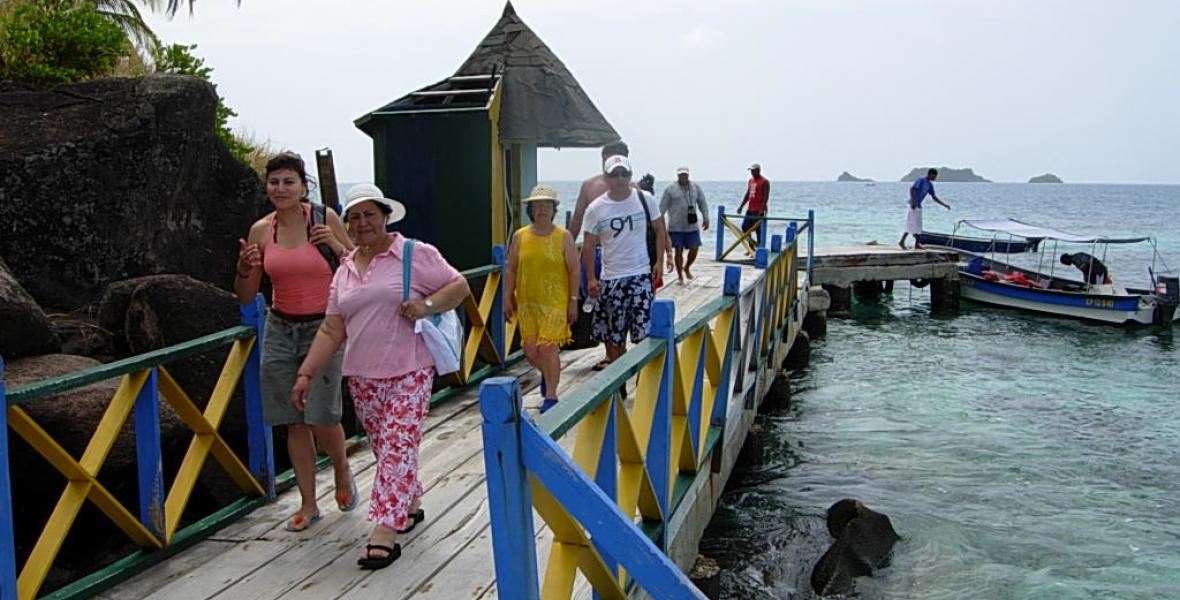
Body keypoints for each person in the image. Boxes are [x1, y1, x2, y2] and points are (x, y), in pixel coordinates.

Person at [291, 183, 470, 570]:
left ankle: (384, 532)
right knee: (385, 445)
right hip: (362, 373)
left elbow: (459, 285)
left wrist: (426, 305)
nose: (362, 223)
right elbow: (331, 328)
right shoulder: (345, 270)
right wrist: (306, 373)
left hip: (410, 366)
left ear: (385, 216)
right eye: (354, 217)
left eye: (369, 214)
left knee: (398, 444)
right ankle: (411, 500)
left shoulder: (413, 253)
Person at [233, 152, 356, 534]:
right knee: (292, 419)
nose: (281, 189)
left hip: (325, 327)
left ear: (303, 186)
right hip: (279, 326)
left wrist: (336, 244)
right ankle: (308, 502)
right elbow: (244, 294)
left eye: (289, 182)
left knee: (321, 414)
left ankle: (340, 467)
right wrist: (243, 268)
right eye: (274, 182)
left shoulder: (324, 219)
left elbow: (361, 269)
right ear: (266, 187)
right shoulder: (260, 230)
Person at [582, 155, 668, 371]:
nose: (619, 179)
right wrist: (591, 278)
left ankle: (644, 385)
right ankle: (617, 383)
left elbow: (659, 230)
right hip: (611, 278)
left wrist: (659, 260)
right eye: (614, 174)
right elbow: (589, 245)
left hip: (640, 274)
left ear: (630, 175)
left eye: (624, 174)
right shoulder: (595, 208)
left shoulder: (644, 199)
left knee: (645, 333)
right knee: (613, 336)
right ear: (606, 177)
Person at [504, 184, 580, 413]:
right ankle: (549, 375)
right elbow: (511, 269)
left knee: (548, 348)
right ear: (531, 209)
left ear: (554, 209)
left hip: (555, 301)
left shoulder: (563, 236)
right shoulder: (520, 236)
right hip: (527, 301)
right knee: (531, 351)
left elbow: (574, 270)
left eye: (547, 204)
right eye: (538, 205)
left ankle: (552, 396)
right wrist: (507, 296)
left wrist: (573, 300)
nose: (542, 209)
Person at [660, 166, 710, 284]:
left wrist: (706, 217)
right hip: (676, 226)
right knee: (678, 250)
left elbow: (702, 203)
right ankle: (680, 276)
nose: (683, 177)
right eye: (681, 175)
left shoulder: (695, 188)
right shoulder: (670, 189)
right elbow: (662, 207)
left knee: (695, 248)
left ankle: (687, 267)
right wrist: (659, 224)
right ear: (678, 176)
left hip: (691, 225)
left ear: (688, 175)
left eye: (685, 175)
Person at [898, 168, 951, 250]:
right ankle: (902, 242)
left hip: (918, 206)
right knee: (910, 224)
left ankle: (917, 244)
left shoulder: (930, 185)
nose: (935, 178)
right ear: (930, 174)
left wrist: (944, 204)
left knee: (918, 225)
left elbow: (934, 197)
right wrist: (913, 202)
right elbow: (912, 189)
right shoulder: (921, 180)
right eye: (935, 176)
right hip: (913, 205)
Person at [638, 172, 675, 287]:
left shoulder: (656, 212)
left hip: (651, 252)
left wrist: (669, 256)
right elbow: (665, 235)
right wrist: (669, 255)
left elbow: (663, 234)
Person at [737, 162, 770, 251]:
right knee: (745, 228)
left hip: (759, 209)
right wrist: (741, 206)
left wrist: (762, 209)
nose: (752, 172)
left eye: (754, 171)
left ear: (758, 170)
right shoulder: (751, 181)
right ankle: (751, 247)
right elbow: (748, 194)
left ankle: (760, 249)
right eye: (751, 171)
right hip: (750, 208)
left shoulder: (765, 181)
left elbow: (766, 196)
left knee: (758, 230)